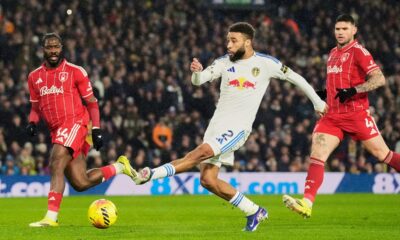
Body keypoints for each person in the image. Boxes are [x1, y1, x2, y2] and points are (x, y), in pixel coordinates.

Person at [131, 22, 327, 231]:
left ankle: (151, 174)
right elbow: (199, 81)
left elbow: (296, 78)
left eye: (233, 41)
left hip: (238, 128)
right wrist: (197, 72)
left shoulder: (265, 63)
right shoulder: (223, 62)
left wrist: (317, 102)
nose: (229, 45)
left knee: (200, 153)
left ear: (247, 42)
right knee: (207, 180)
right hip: (216, 127)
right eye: (227, 40)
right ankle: (253, 210)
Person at [283, 14, 400, 218]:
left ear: (354, 30)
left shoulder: (359, 52)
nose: (340, 32)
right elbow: (337, 83)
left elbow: (379, 79)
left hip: (356, 114)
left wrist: (354, 90)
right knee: (318, 153)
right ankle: (307, 203)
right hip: (332, 116)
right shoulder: (332, 53)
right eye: (337, 28)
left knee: (384, 155)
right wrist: (325, 94)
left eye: (345, 29)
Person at [27, 33, 136, 227]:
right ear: (43, 49)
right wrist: (32, 122)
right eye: (49, 47)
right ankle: (120, 167)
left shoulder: (75, 71)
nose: (53, 51)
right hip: (56, 130)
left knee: (56, 161)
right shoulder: (34, 77)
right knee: (80, 182)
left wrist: (96, 129)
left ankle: (51, 218)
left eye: (56, 46)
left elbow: (92, 103)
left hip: (75, 123)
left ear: (62, 48)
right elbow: (35, 108)